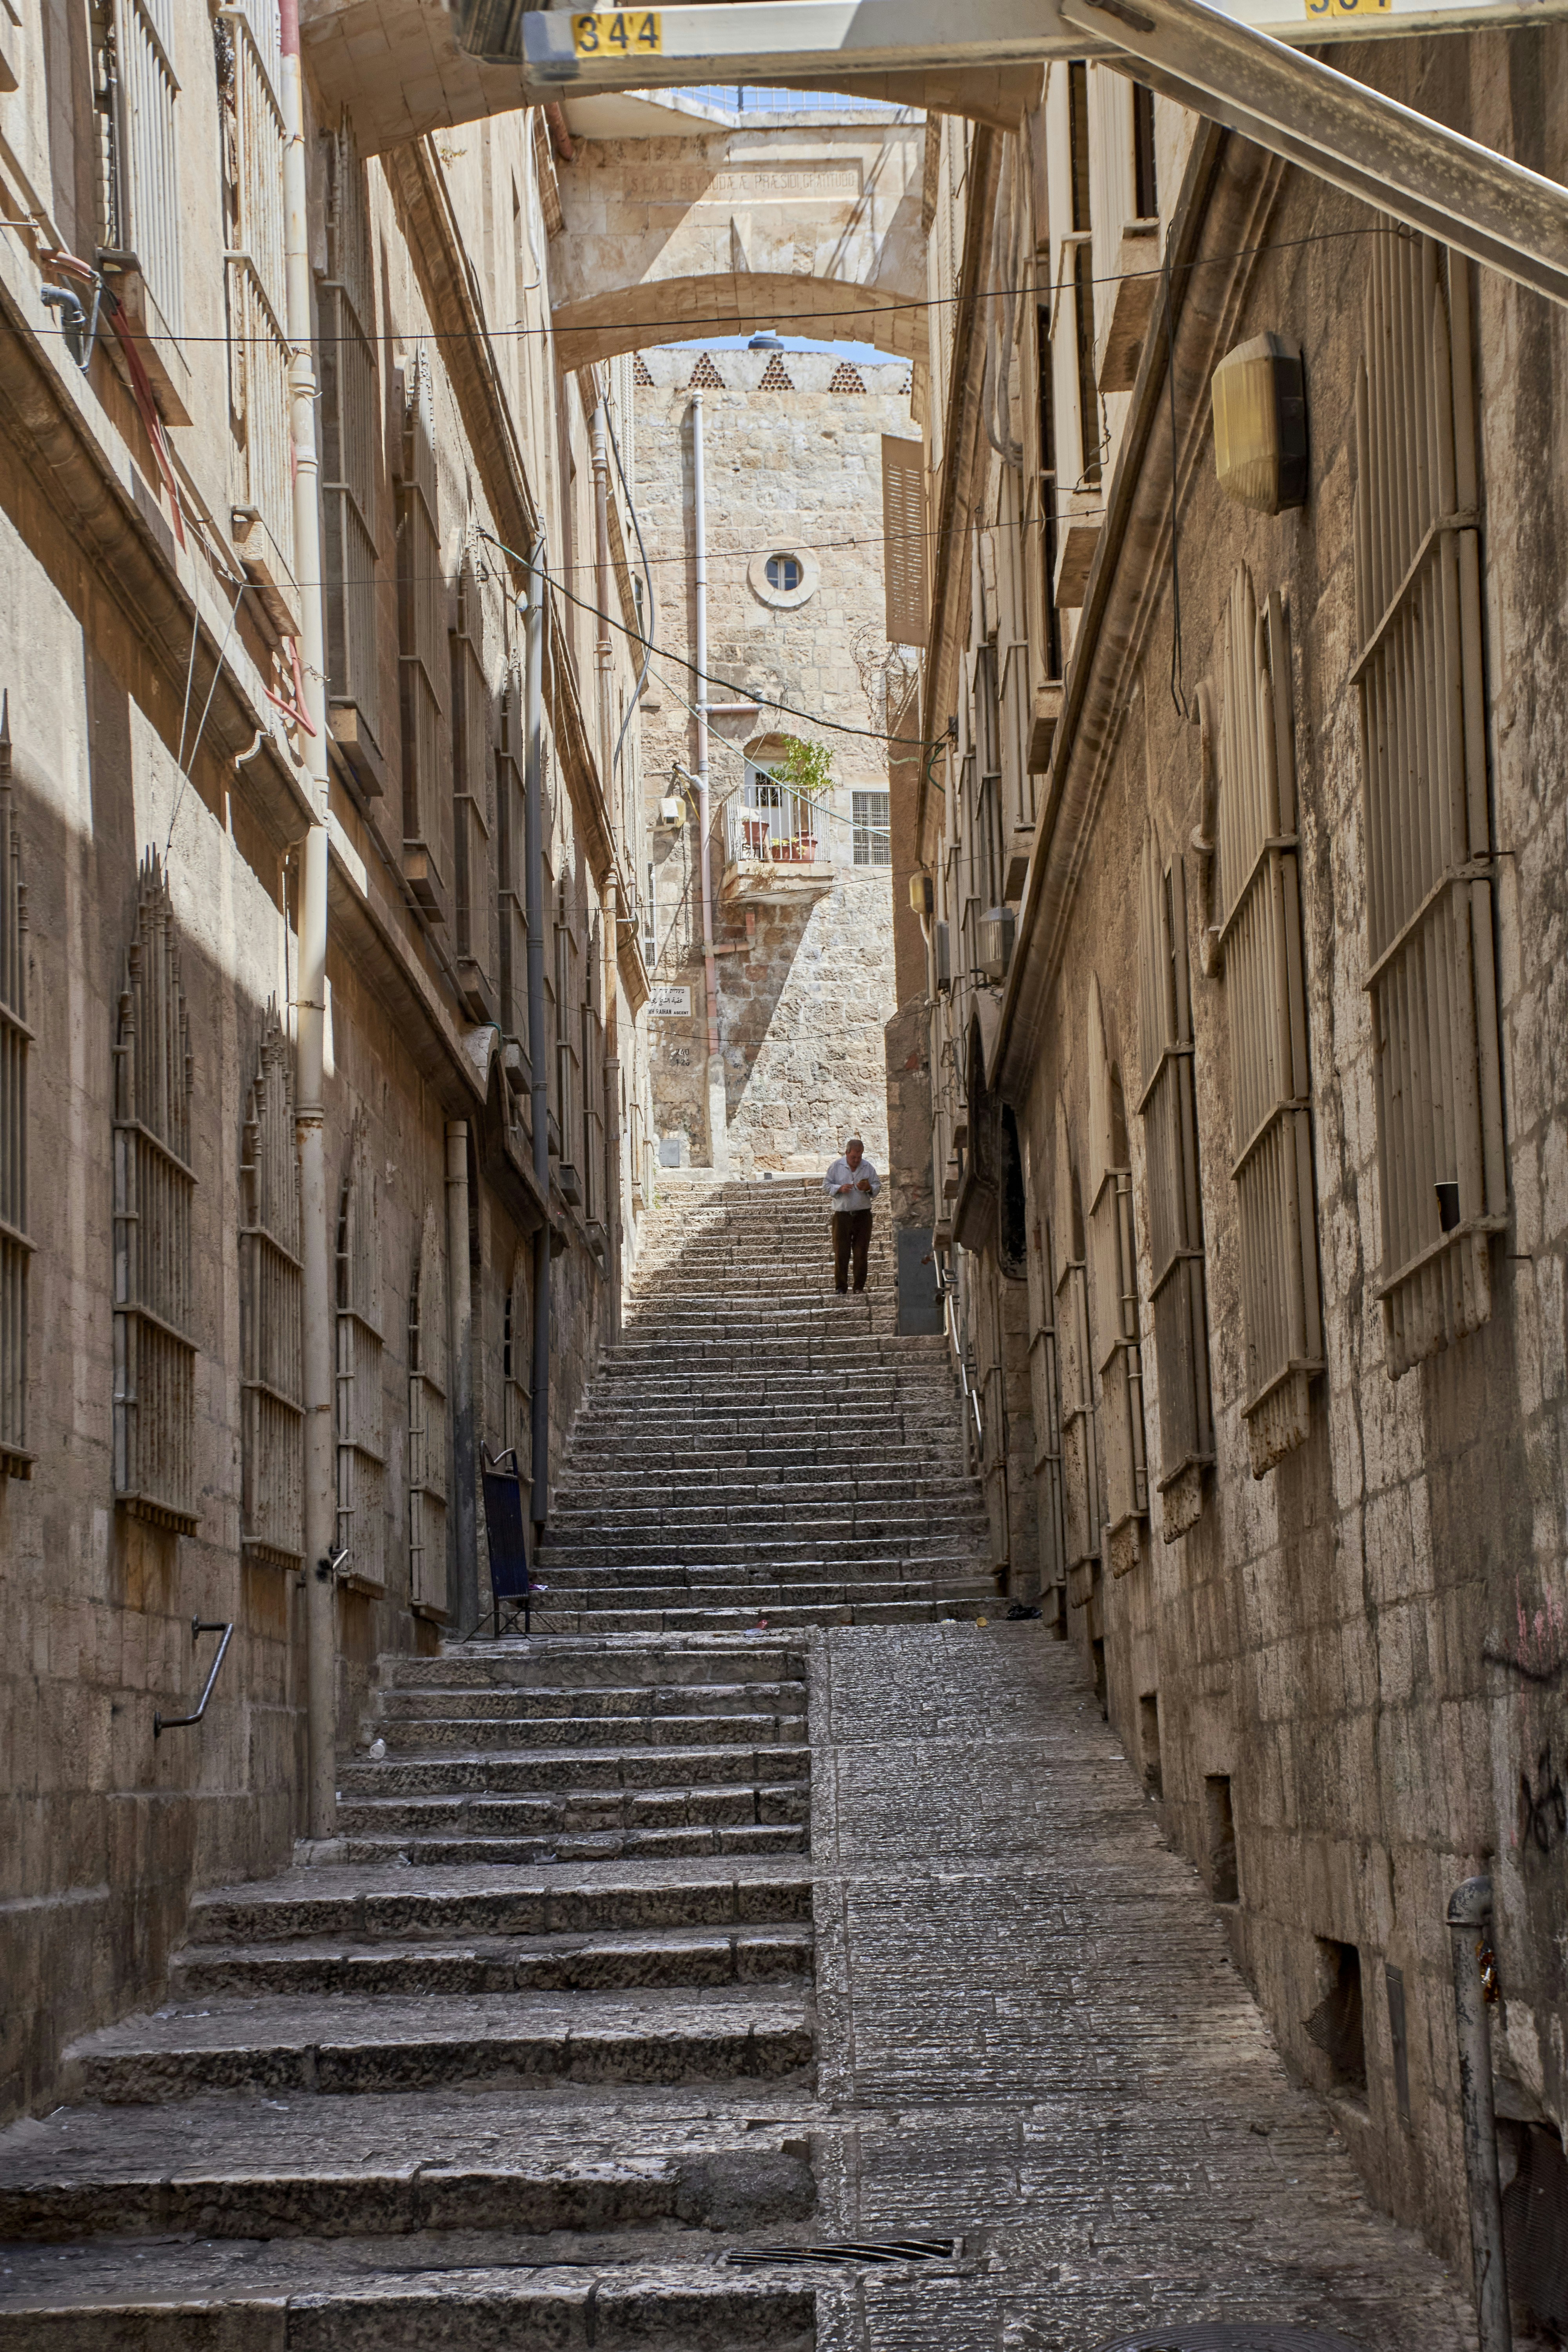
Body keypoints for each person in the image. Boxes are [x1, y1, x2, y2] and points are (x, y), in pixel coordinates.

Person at [822, 1136, 880, 1294]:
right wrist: (839, 1188)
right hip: (842, 1216)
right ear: (847, 1153)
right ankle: (841, 1287)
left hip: (863, 1215)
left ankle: (859, 1287)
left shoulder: (868, 1167)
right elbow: (826, 1186)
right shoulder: (836, 1167)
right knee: (841, 1251)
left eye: (859, 1156)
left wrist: (869, 1187)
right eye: (854, 1157)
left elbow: (877, 1186)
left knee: (861, 1251)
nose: (856, 1160)